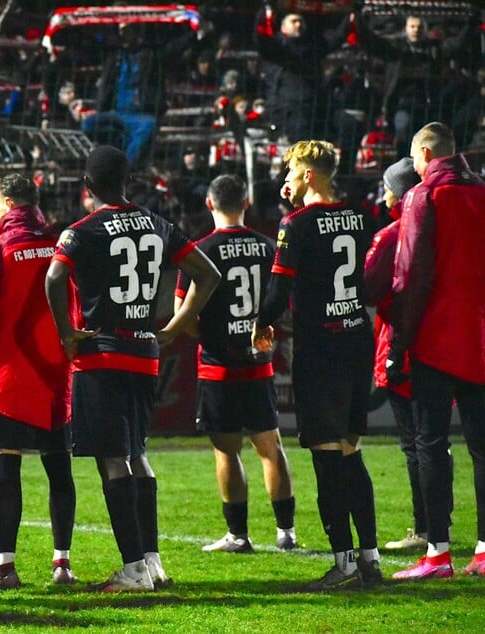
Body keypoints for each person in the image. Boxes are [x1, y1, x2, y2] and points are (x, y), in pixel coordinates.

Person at [46, 145, 220, 592]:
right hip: (145, 352)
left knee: (112, 459)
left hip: (102, 352)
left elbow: (53, 278)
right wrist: (179, 324)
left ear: (88, 186)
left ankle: (133, 570)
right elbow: (208, 274)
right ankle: (152, 561)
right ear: (129, 181)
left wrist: (67, 332)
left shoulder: (81, 231)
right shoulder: (159, 224)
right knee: (138, 452)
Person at [252, 140, 380, 590]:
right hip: (357, 341)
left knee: (327, 460)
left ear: (308, 174)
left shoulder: (297, 224)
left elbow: (278, 292)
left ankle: (343, 565)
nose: (284, 178)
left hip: (321, 349)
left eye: (290, 169)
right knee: (352, 452)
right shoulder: (363, 216)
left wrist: (260, 324)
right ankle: (370, 558)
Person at [0, 174, 77, 589]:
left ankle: (4, 566)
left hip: (8, 376)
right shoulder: (62, 244)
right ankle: (62, 563)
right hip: (54, 375)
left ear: (9, 203)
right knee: (59, 467)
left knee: (5, 469)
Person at [174, 174, 296, 555]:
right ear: (245, 203)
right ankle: (286, 532)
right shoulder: (266, 247)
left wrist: (213, 337)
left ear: (210, 205)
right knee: (270, 446)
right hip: (258, 365)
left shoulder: (199, 251)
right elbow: (281, 308)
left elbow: (184, 315)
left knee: (227, 451)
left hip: (218, 367)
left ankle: (238, 536)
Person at [388, 122, 485, 579]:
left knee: (430, 443)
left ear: (426, 154)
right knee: (482, 448)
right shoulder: (481, 191)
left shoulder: (423, 198)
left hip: (435, 340)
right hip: (480, 340)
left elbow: (411, 276)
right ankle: (484, 551)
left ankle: (438, 553)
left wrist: (399, 343)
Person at [362, 157, 428, 552]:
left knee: (416, 443)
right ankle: (437, 527)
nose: (382, 191)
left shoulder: (391, 235)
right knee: (435, 441)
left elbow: (369, 287)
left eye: (387, 185)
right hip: (435, 342)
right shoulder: (433, 227)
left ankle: (426, 529)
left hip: (402, 344)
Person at [355, 14, 479, 157]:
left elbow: (456, 44)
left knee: (430, 142)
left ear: (425, 29)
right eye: (412, 26)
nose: (416, 30)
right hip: (402, 105)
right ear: (406, 29)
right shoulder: (396, 49)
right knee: (404, 136)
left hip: (428, 105)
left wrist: (471, 24)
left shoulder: (434, 49)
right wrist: (358, 20)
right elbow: (371, 41)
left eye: (419, 27)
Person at [81, 22, 193, 169]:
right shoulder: (116, 57)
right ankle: (120, 148)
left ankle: (125, 168)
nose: (122, 35)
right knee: (88, 124)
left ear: (136, 32)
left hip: (139, 115)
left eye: (126, 30)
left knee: (148, 126)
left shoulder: (151, 55)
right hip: (115, 113)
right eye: (120, 31)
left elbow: (173, 49)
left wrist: (195, 33)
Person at [253, 8, 351, 142]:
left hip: (316, 107)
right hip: (290, 108)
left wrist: (350, 15)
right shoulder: (275, 46)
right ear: (283, 27)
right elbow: (260, 38)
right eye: (294, 21)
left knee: (348, 125)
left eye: (301, 22)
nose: (298, 25)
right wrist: (264, 12)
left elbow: (337, 38)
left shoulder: (313, 46)